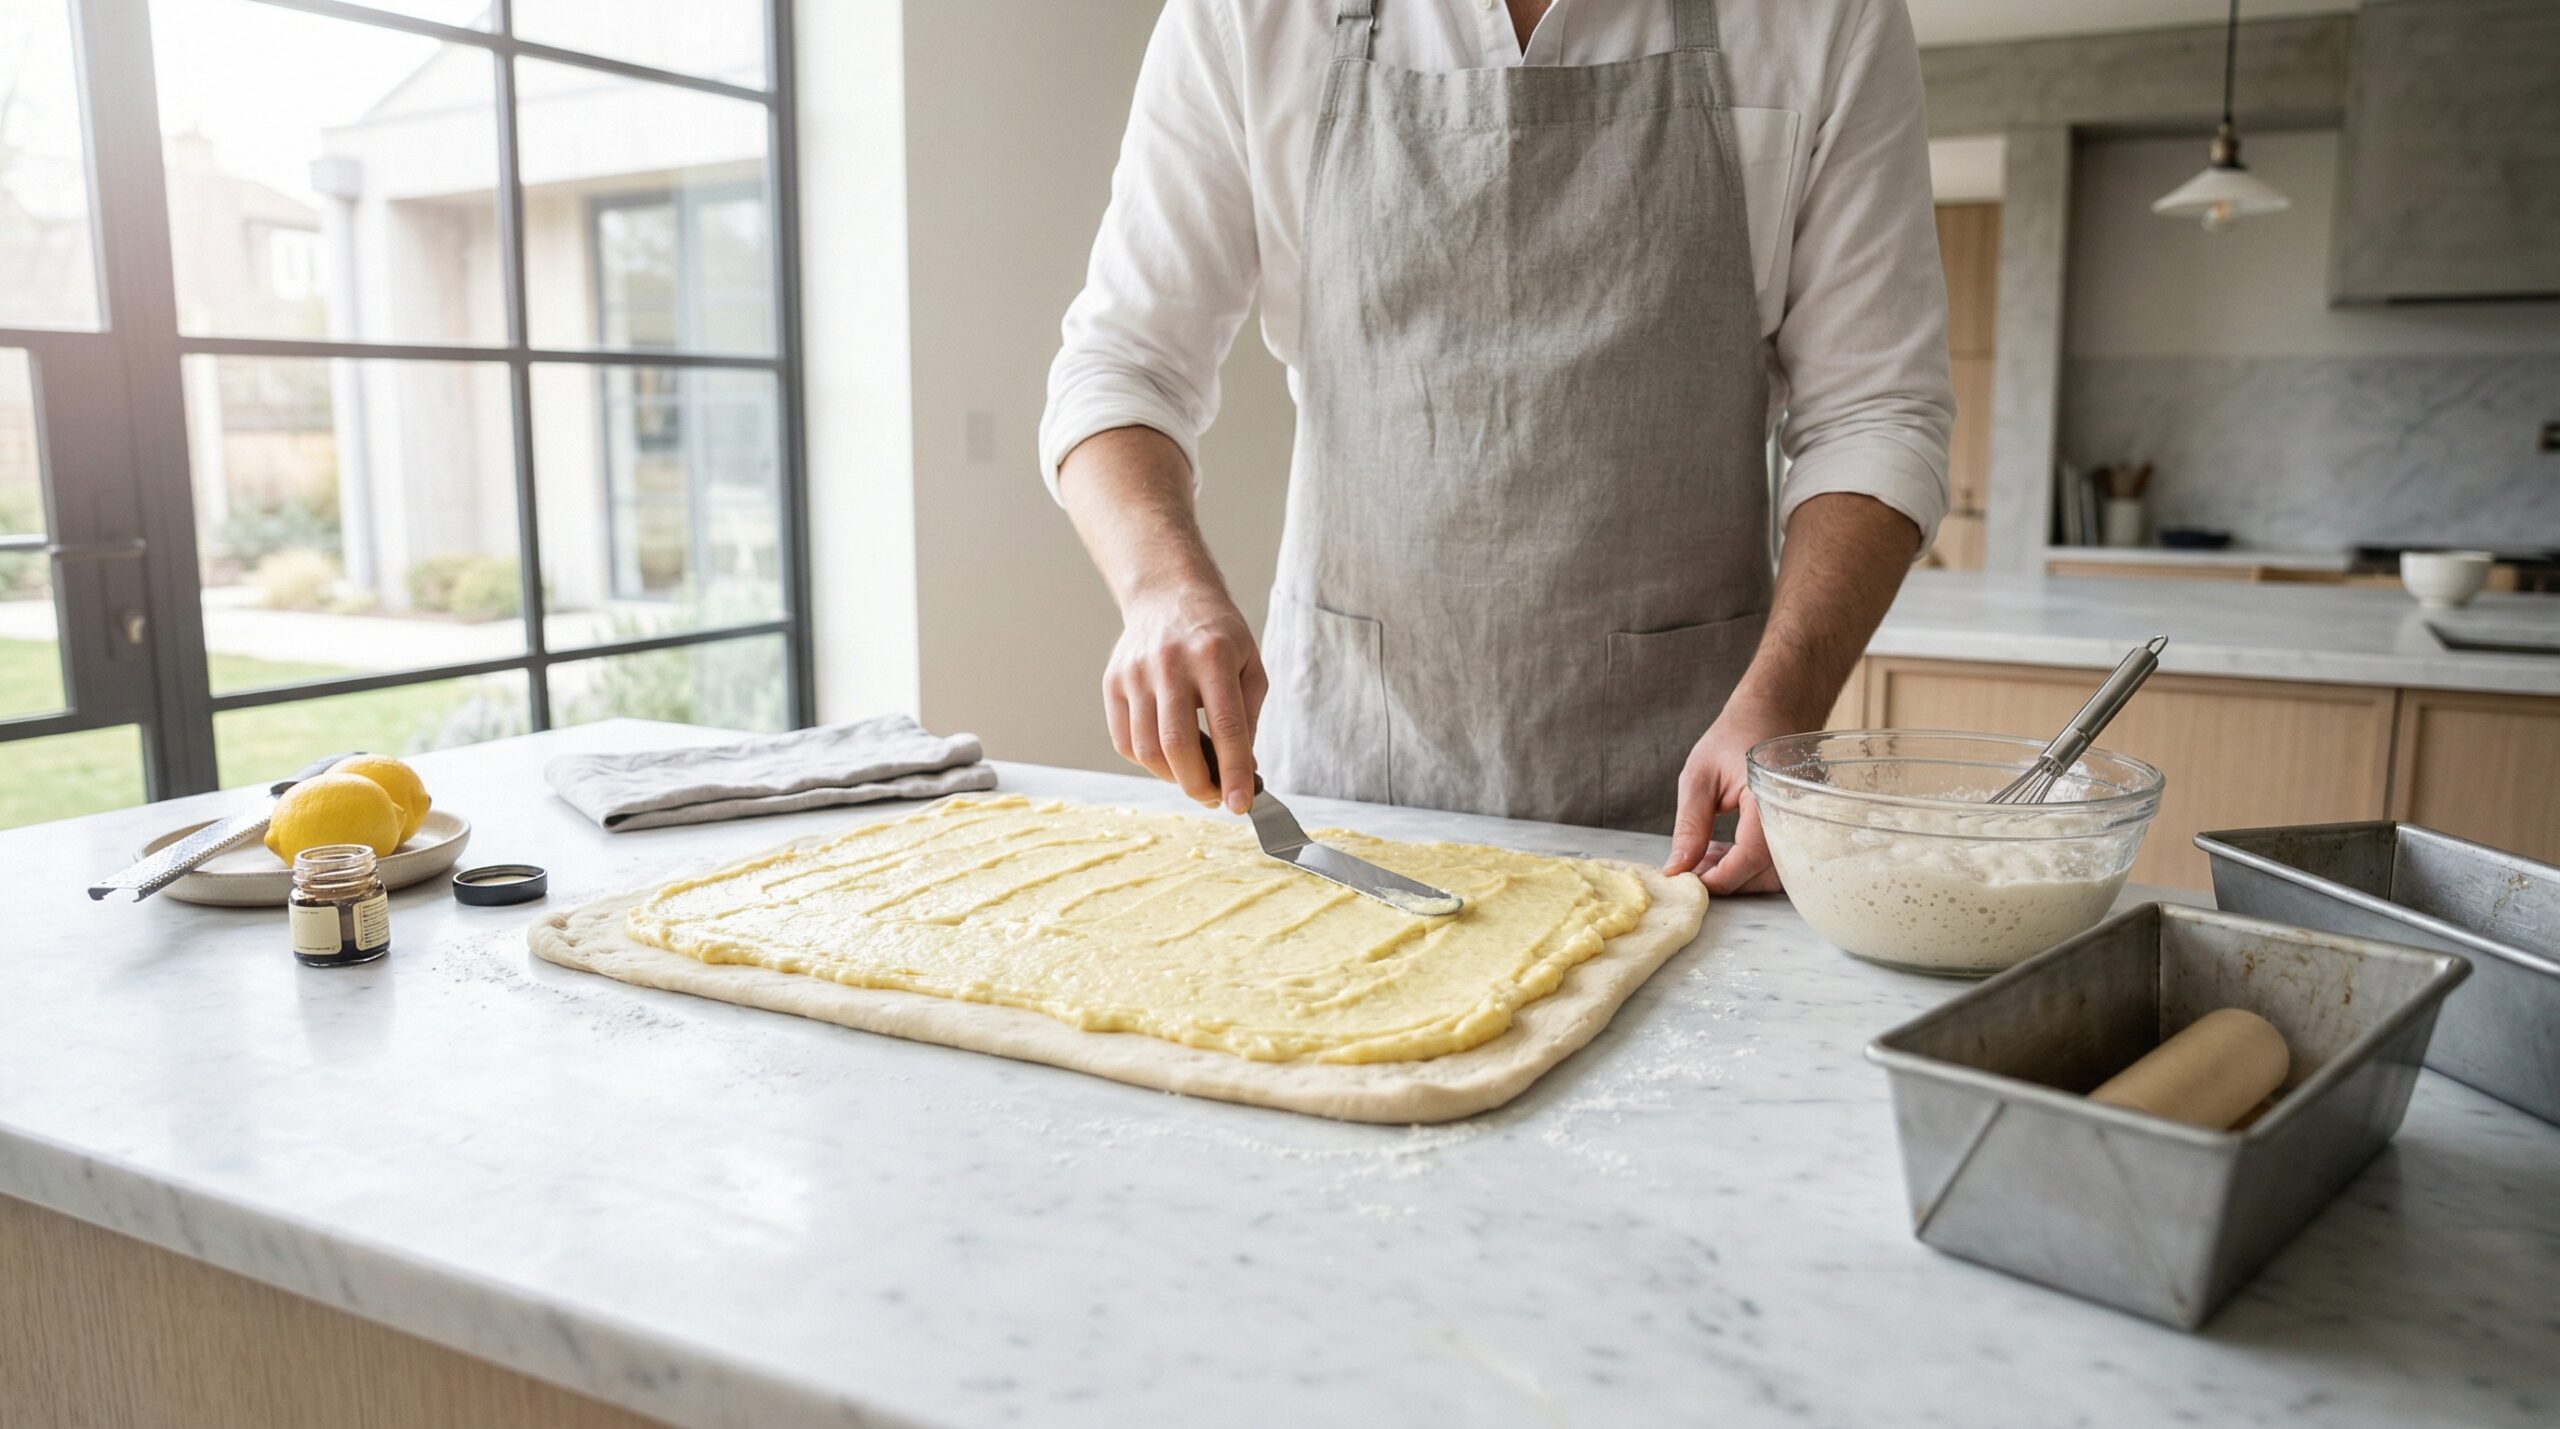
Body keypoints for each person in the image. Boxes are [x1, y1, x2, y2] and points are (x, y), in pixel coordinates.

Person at [1043, 0, 1952, 894]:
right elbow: (1123, 365)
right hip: (1349, 796)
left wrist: (1784, 700)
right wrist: (1163, 590)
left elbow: (1875, 414)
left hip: (1686, 811)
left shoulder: (1828, 18)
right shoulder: (1247, 15)